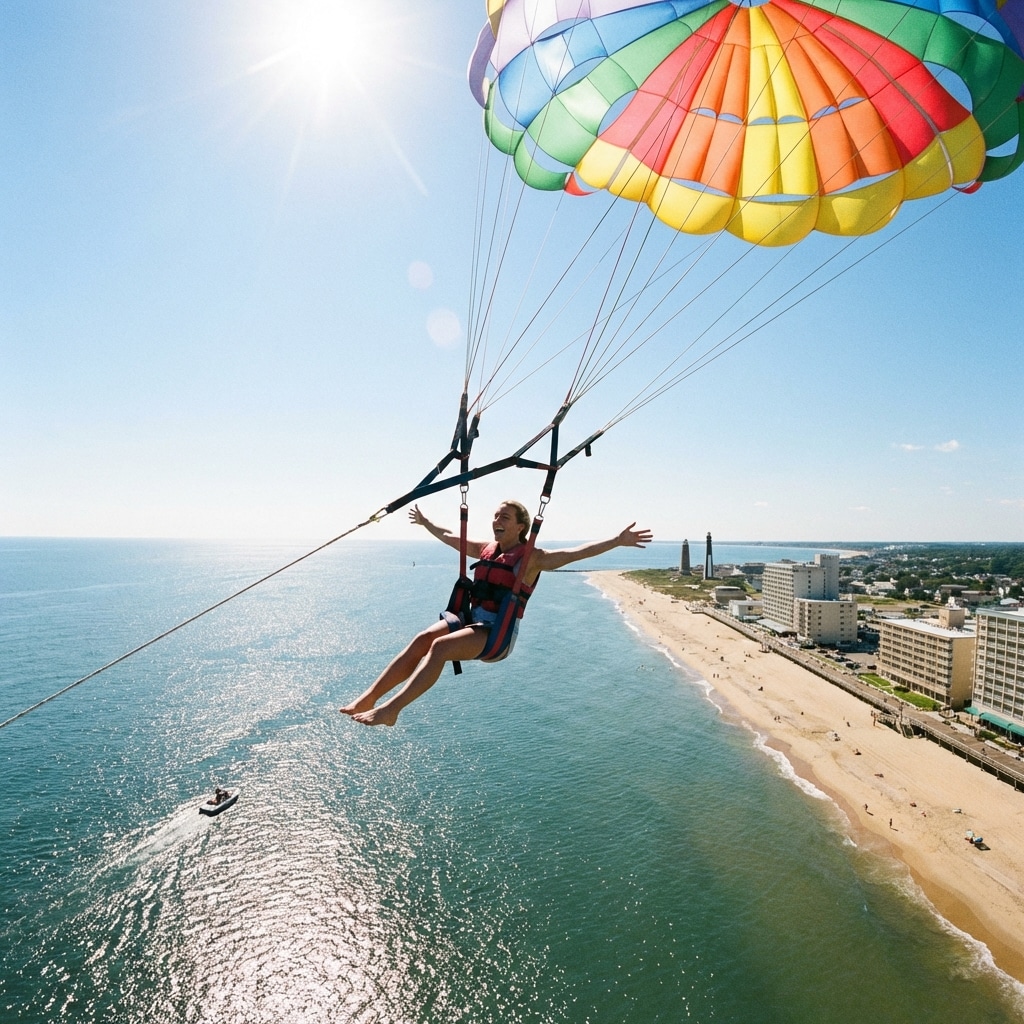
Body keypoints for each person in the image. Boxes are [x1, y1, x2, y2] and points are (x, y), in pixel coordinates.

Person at [339, 500, 653, 726]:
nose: (496, 520)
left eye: (504, 516)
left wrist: (617, 541)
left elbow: (576, 553)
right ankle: (369, 698)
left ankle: (391, 710)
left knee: (439, 648)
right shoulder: (487, 549)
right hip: (473, 620)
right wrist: (427, 523)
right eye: (495, 515)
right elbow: (452, 537)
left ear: (521, 526)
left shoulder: (533, 559)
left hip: (496, 635)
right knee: (423, 638)